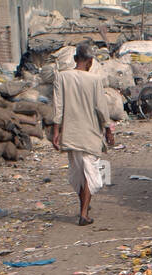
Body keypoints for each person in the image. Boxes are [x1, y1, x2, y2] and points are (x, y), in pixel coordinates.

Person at [52, 43, 118, 225]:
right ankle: (83, 214)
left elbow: (58, 107)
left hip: (71, 134)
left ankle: (83, 207)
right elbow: (101, 108)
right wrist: (108, 130)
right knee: (90, 174)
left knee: (79, 175)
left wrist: (56, 131)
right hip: (90, 134)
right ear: (90, 61)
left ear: (75, 59)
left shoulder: (61, 77)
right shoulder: (95, 80)